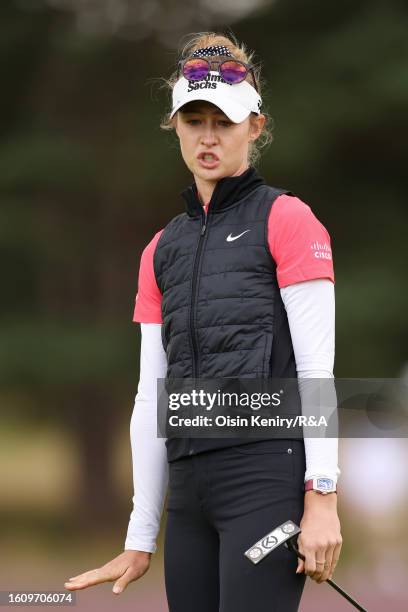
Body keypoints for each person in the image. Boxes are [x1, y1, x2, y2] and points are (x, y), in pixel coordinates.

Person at [64, 32, 342, 611]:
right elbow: (150, 396)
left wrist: (322, 497)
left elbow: (317, 368)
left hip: (265, 479)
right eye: (194, 120)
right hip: (189, 493)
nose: (208, 136)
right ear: (175, 126)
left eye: (224, 120)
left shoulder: (289, 220)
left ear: (255, 126)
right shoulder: (161, 248)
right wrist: (141, 535)